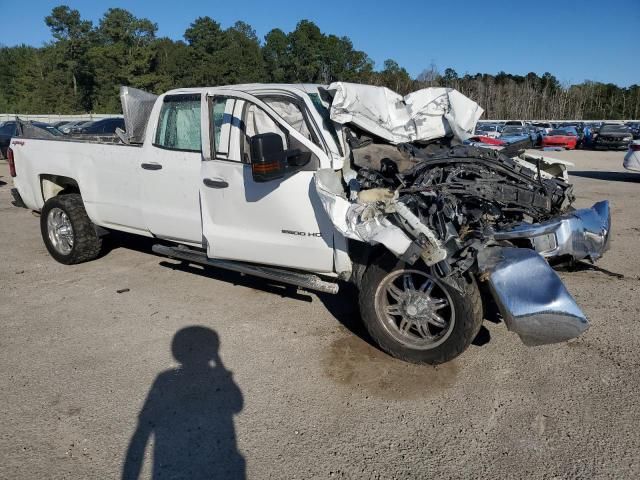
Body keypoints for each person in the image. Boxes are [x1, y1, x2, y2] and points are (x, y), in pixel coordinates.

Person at [122, 327, 245, 480]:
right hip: (216, 461)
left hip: (172, 463)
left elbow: (144, 427)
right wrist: (219, 363)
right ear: (212, 352)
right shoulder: (217, 376)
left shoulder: (165, 379)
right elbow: (237, 404)